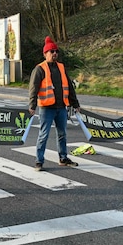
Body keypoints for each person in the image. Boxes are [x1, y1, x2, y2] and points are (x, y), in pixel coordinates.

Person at [28, 36, 82, 171]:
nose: (54, 54)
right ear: (45, 54)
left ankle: (63, 158)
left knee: (62, 133)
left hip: (61, 107)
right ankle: (39, 161)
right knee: (43, 134)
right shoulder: (40, 69)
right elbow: (33, 88)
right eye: (51, 52)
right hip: (46, 108)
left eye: (56, 51)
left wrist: (75, 104)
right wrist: (32, 105)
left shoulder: (61, 68)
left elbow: (69, 87)